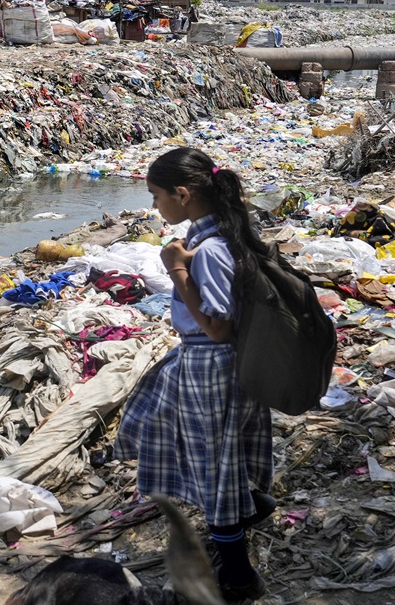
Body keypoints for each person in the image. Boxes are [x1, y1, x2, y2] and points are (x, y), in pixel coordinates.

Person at [116, 147, 275, 602]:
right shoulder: (228, 233)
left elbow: (218, 325)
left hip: (213, 362)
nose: (153, 206)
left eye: (156, 195)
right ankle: (252, 507)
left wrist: (177, 270)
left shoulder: (206, 250)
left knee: (214, 465)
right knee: (215, 449)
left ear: (183, 194)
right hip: (224, 364)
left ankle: (238, 576)